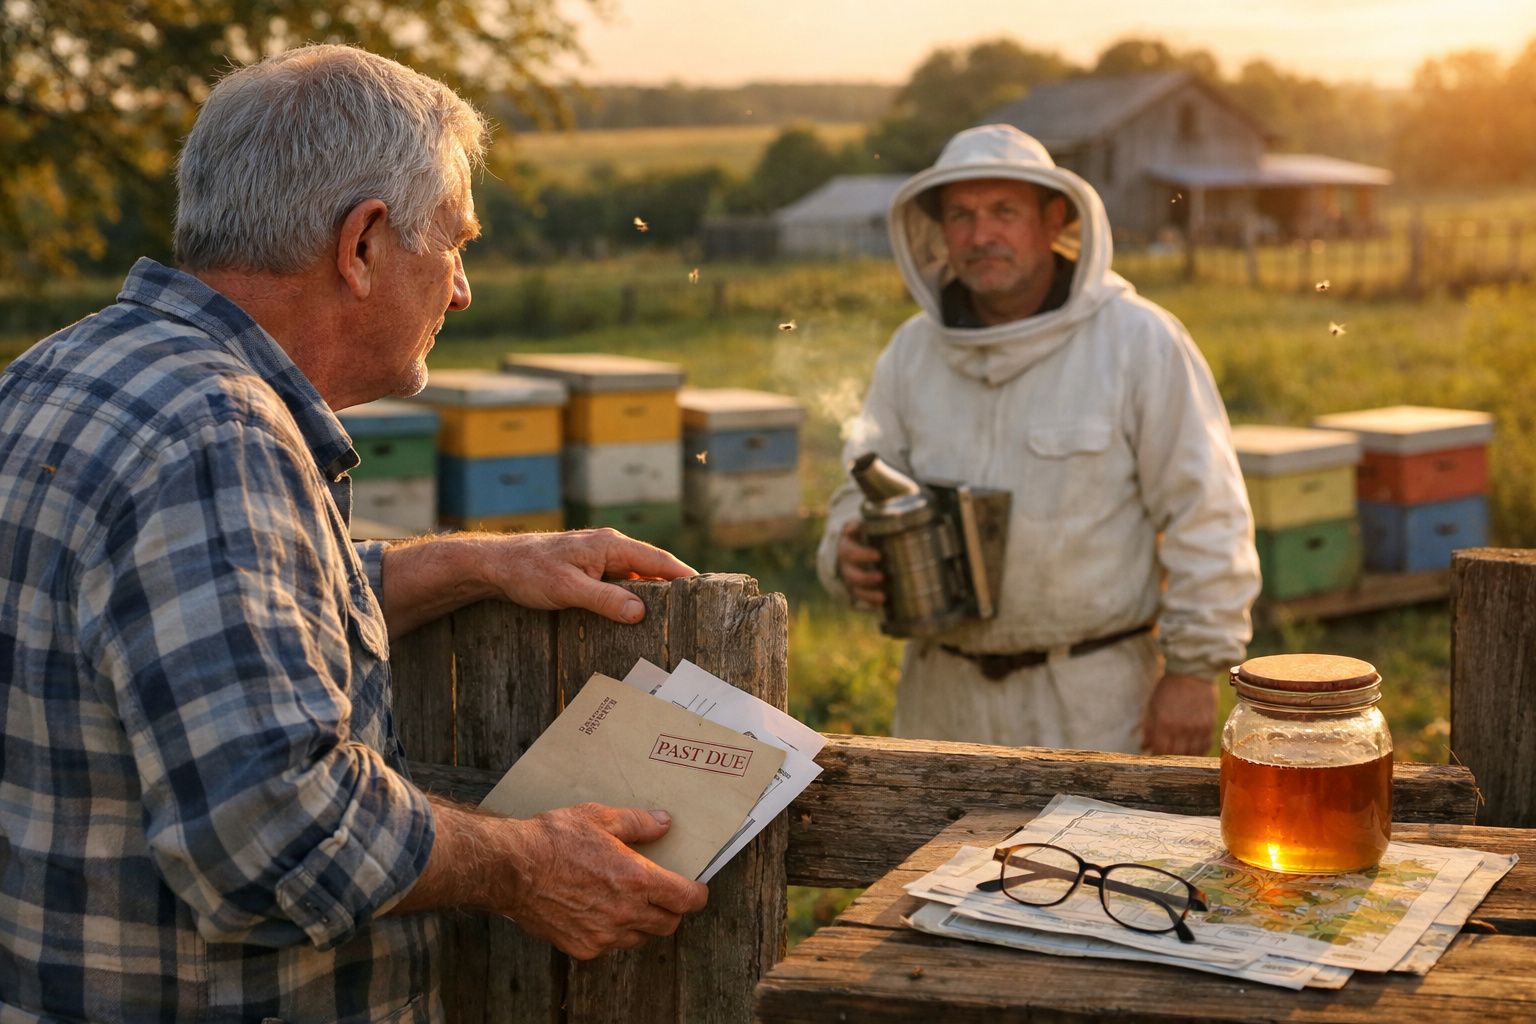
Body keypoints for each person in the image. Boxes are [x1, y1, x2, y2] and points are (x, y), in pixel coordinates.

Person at [0, 45, 708, 1023]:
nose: (460, 291)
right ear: (363, 243)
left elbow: (192, 630)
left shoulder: (58, 370)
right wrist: (523, 864)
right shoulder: (217, 435)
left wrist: (479, 560)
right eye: (454, 244)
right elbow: (273, 833)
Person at [818, 124, 1260, 757]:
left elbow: (1206, 511)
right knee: (934, 859)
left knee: (1101, 857)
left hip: (1093, 698)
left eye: (1004, 211)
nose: (981, 234)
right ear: (939, 231)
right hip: (941, 700)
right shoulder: (912, 351)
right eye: (962, 216)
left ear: (1054, 217)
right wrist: (846, 550)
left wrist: (1193, 672)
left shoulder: (1139, 341)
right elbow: (859, 484)